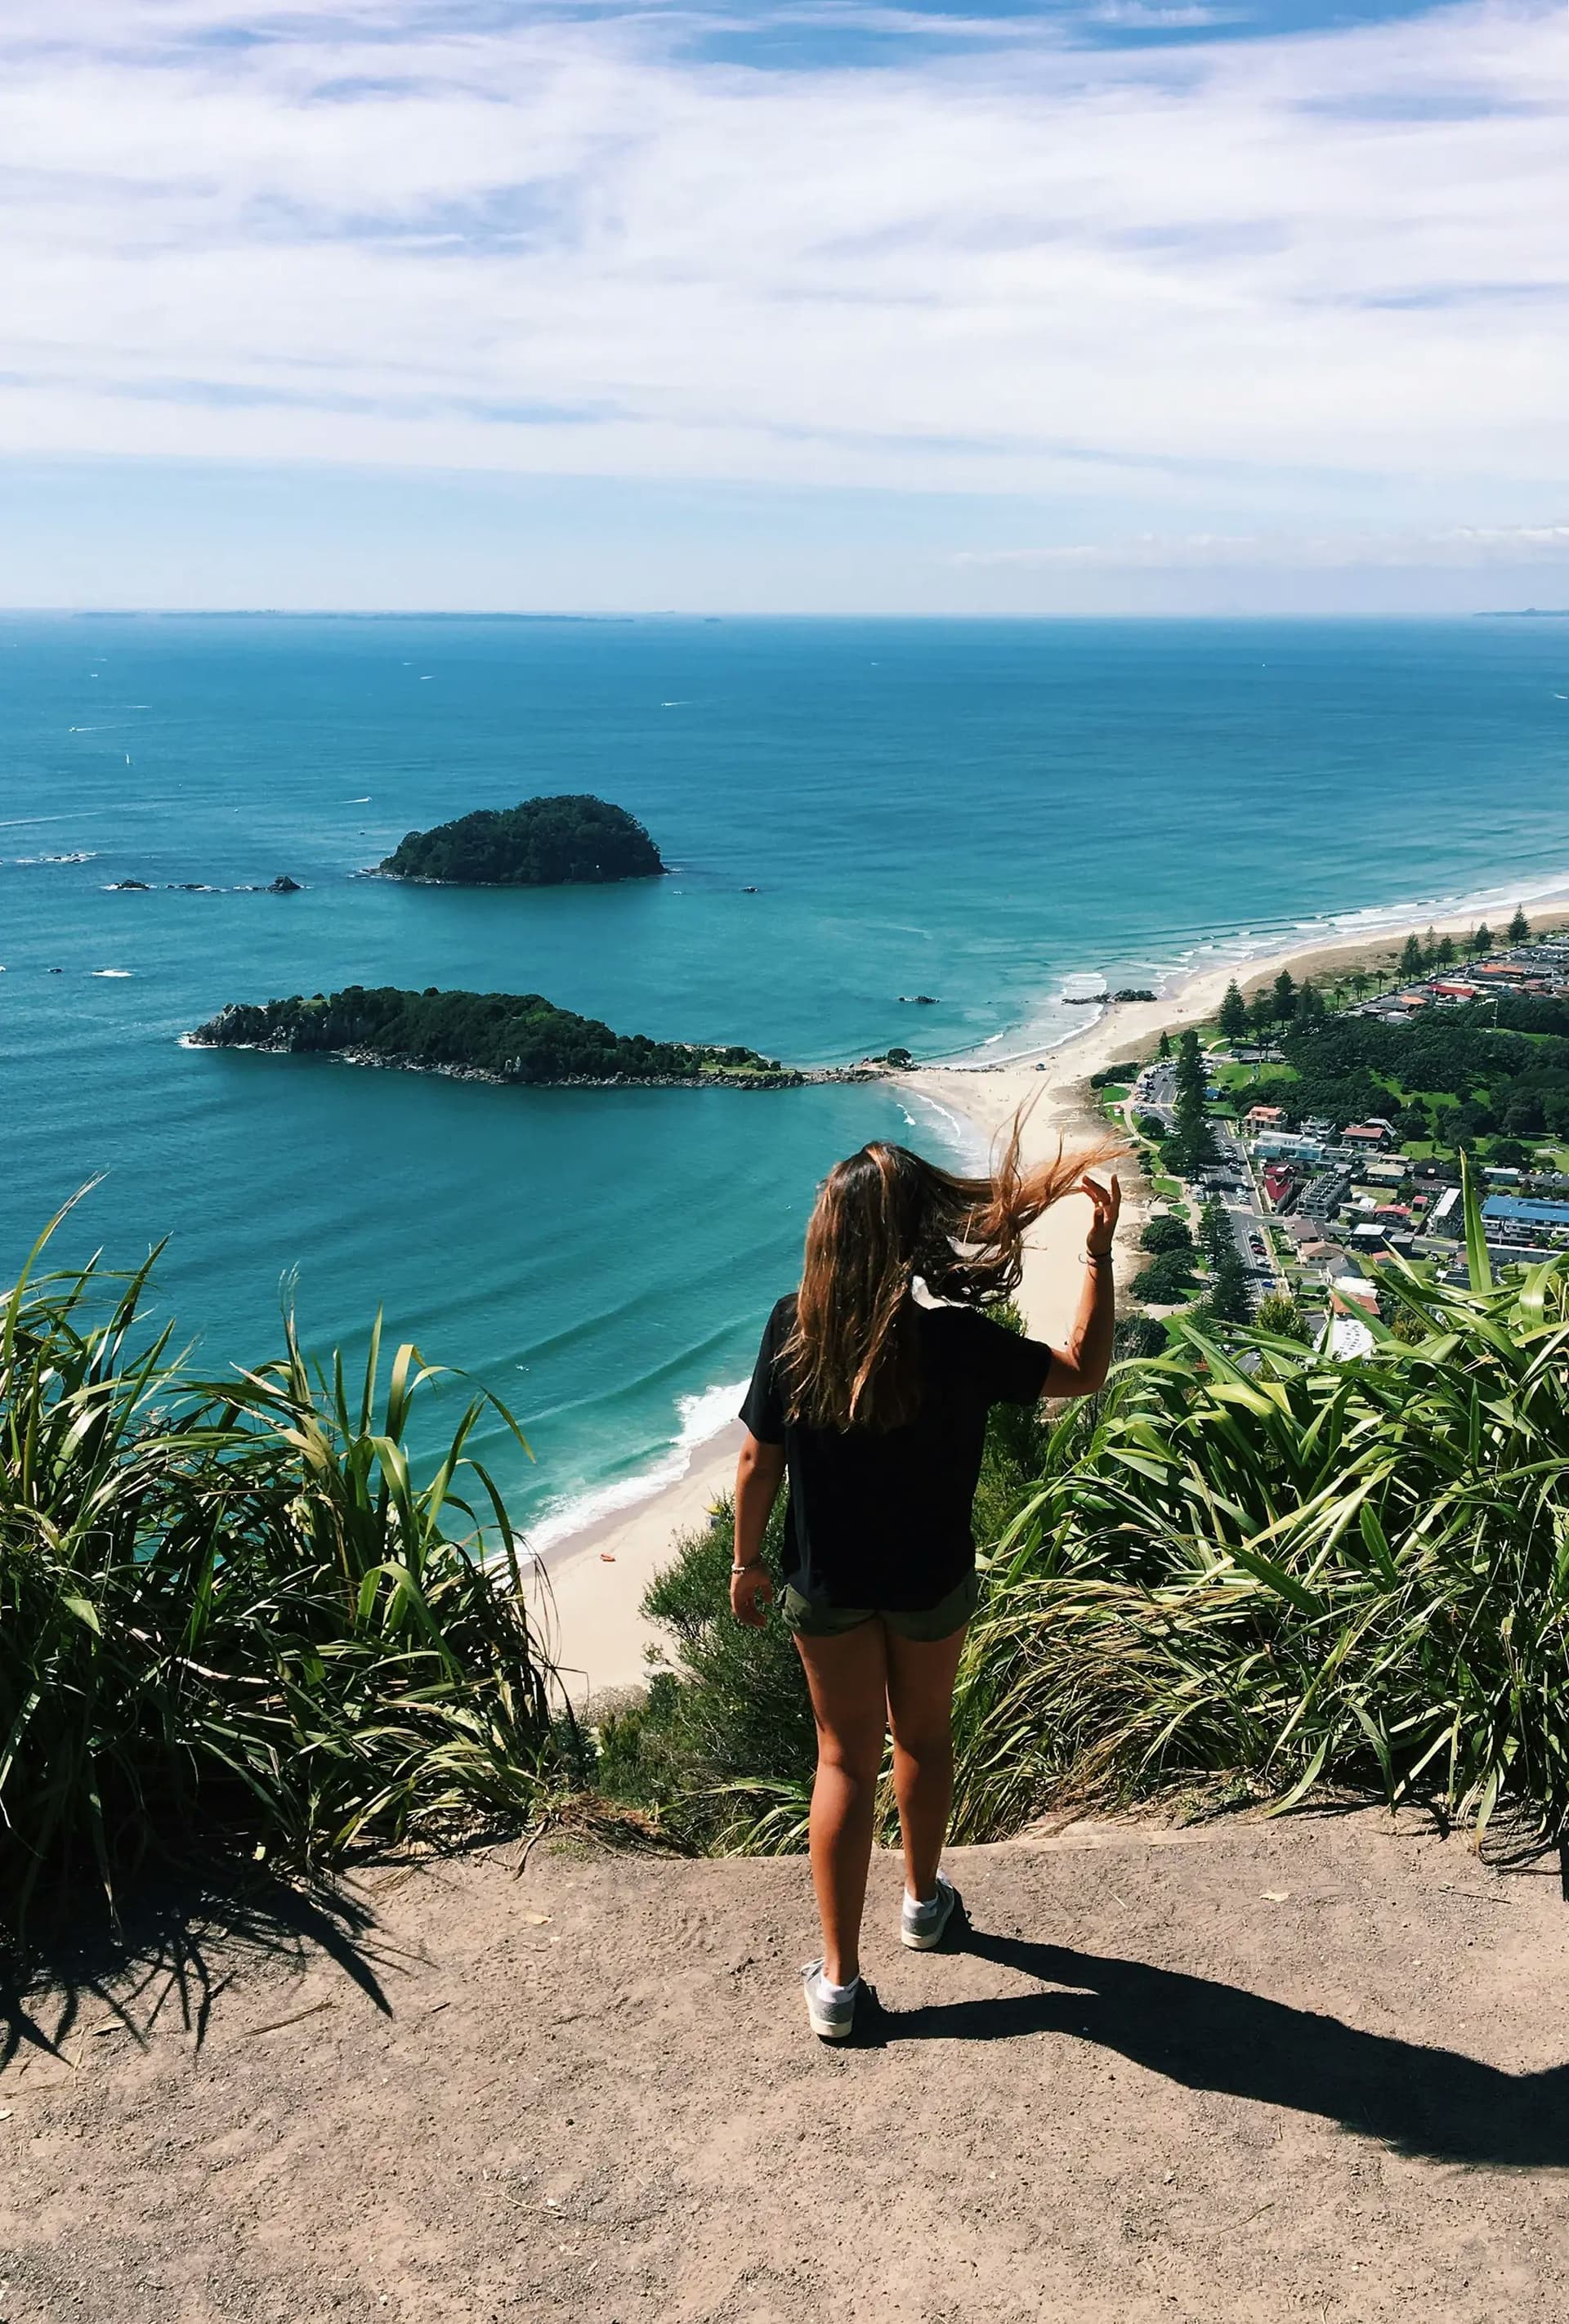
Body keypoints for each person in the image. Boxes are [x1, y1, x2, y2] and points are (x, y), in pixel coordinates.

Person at [731, 1124, 1121, 2040]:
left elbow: (758, 1460)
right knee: (925, 1737)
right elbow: (1085, 1370)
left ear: (828, 1235)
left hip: (825, 1587)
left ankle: (837, 1983)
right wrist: (1096, 1258)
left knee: (840, 1760)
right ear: (917, 1239)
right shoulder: (956, 1345)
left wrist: (748, 1562)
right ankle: (922, 1904)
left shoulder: (793, 1326)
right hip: (931, 1581)